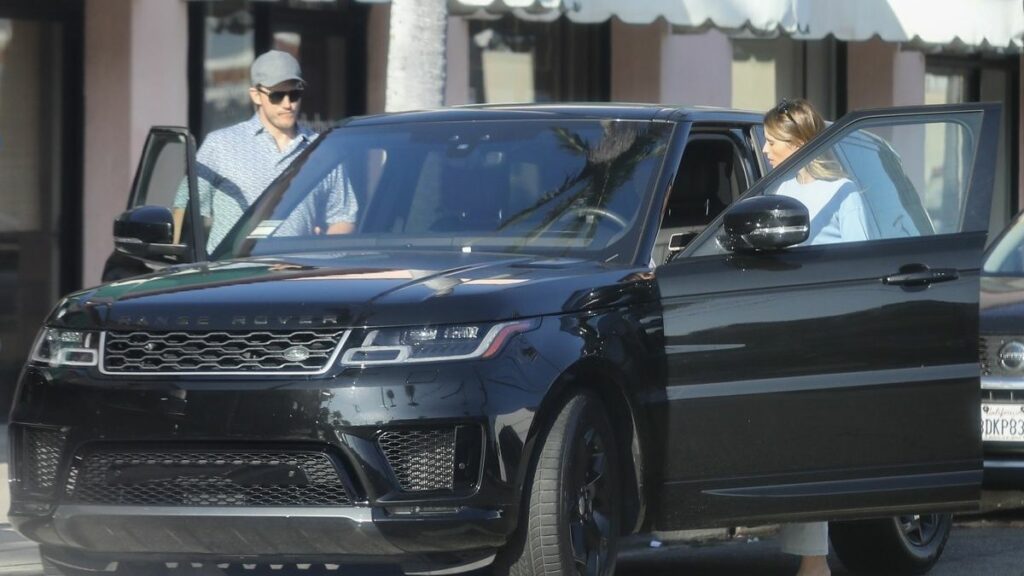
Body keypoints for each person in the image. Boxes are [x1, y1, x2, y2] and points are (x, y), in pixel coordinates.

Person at [761, 97, 870, 576]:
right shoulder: (775, 190)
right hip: (781, 332)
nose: (764, 150)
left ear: (801, 144)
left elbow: (863, 269)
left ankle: (813, 561)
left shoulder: (845, 194)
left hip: (828, 335)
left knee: (812, 445)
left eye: (772, 141)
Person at [173, 49, 357, 252]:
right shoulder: (221, 145)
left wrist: (321, 257)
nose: (288, 104)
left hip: (297, 276)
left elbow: (343, 216)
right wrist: (179, 259)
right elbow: (184, 206)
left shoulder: (320, 149)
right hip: (234, 276)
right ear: (256, 96)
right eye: (277, 95)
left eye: (294, 94)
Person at [763, 97, 872, 246]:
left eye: (771, 143)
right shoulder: (782, 190)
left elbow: (860, 258)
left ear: (797, 143)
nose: (764, 149)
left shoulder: (843, 191)